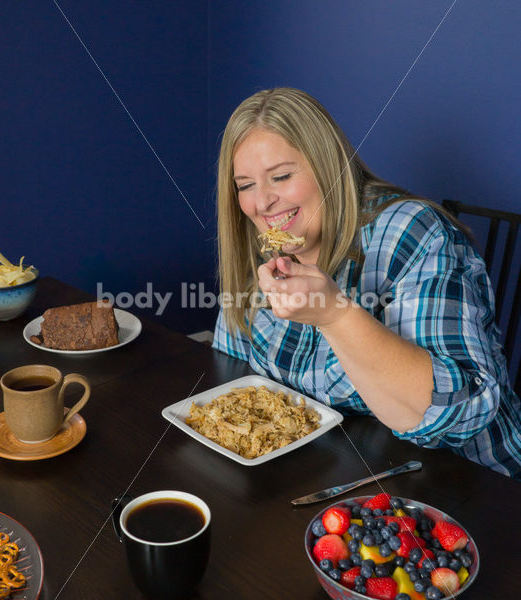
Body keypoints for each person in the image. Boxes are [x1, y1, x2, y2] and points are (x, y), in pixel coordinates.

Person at [212, 87, 520, 479]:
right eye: (245, 185)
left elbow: (463, 412)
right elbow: (230, 370)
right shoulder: (259, 247)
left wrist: (335, 315)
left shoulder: (412, 231)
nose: (262, 202)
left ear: (328, 166)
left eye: (282, 176)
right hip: (339, 476)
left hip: (476, 485)